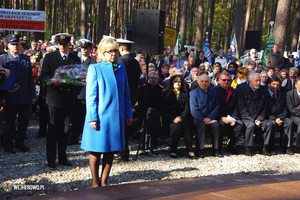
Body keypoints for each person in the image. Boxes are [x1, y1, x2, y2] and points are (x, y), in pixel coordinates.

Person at [81, 37, 132, 187]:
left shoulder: (121, 68)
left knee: (111, 149)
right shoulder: (95, 68)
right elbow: (91, 95)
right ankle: (95, 182)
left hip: (116, 116)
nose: (113, 54)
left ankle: (104, 182)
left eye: (116, 51)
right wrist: (92, 117)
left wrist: (128, 113)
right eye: (110, 51)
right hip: (100, 116)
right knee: (96, 150)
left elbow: (126, 93)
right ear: (103, 52)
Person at [40, 33, 81, 168]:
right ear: (57, 44)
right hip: (54, 98)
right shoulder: (50, 57)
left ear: (70, 44)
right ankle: (51, 159)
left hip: (68, 99)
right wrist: (52, 82)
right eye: (60, 44)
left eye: (65, 44)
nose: (63, 46)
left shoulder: (75, 58)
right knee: (52, 130)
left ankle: (62, 157)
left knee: (65, 130)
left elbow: (79, 76)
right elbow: (44, 75)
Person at [0, 34, 35, 154]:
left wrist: (32, 95)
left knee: (24, 120)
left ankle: (20, 142)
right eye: (13, 44)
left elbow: (30, 78)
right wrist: (2, 97)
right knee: (9, 121)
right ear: (8, 45)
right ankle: (8, 143)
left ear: (21, 45)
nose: (15, 46)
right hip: (10, 97)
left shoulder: (25, 59)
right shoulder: (3, 59)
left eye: (17, 44)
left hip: (24, 96)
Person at [68, 39, 97, 146]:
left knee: (86, 117)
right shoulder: (74, 59)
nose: (84, 50)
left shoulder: (93, 63)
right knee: (74, 118)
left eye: (86, 48)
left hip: (85, 93)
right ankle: (73, 137)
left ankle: (87, 138)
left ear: (90, 49)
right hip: (73, 92)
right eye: (82, 48)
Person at [237, 73, 274, 156]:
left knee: (269, 124)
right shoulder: (242, 91)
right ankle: (248, 148)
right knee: (251, 125)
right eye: (256, 81)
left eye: (259, 80)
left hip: (259, 117)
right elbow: (242, 109)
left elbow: (265, 108)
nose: (258, 83)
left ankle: (265, 147)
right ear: (250, 81)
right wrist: (253, 120)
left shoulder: (263, 92)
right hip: (247, 118)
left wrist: (259, 119)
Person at [117, 38, 141, 161]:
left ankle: (121, 150)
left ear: (121, 49)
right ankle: (124, 151)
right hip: (131, 97)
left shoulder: (120, 61)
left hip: (120, 97)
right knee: (126, 124)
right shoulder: (135, 62)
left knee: (120, 125)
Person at [161, 75, 194, 159]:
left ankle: (189, 150)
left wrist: (181, 118)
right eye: (175, 81)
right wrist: (173, 118)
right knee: (177, 127)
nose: (177, 83)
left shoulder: (185, 93)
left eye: (179, 81)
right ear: (171, 83)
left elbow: (187, 109)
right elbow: (164, 109)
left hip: (182, 117)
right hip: (170, 119)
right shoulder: (166, 93)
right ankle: (173, 149)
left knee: (187, 126)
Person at [190, 74, 222, 158]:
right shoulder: (193, 93)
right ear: (198, 82)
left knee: (216, 125)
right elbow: (194, 110)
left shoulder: (213, 93)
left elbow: (216, 106)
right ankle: (200, 150)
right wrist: (204, 119)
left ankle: (216, 149)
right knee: (201, 125)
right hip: (198, 118)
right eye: (202, 81)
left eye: (206, 81)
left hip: (210, 118)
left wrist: (210, 118)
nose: (204, 83)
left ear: (209, 82)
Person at [212, 72, 243, 155]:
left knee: (239, 124)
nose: (226, 82)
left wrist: (234, 118)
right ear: (219, 80)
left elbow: (237, 106)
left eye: (228, 80)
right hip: (218, 117)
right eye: (224, 80)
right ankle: (217, 149)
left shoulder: (234, 91)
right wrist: (221, 118)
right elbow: (212, 108)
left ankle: (231, 146)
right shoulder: (214, 91)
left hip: (230, 116)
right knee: (220, 125)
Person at [266, 76, 294, 155]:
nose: (276, 86)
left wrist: (280, 118)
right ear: (269, 85)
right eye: (273, 84)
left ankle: (287, 147)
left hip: (281, 117)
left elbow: (285, 108)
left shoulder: (282, 95)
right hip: (269, 117)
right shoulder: (264, 95)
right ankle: (271, 147)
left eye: (278, 85)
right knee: (272, 124)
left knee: (289, 122)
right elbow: (264, 110)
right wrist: (274, 119)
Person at [286, 76, 300, 152]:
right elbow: (291, 109)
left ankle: (297, 140)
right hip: (293, 116)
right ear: (295, 85)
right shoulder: (290, 94)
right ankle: (296, 141)